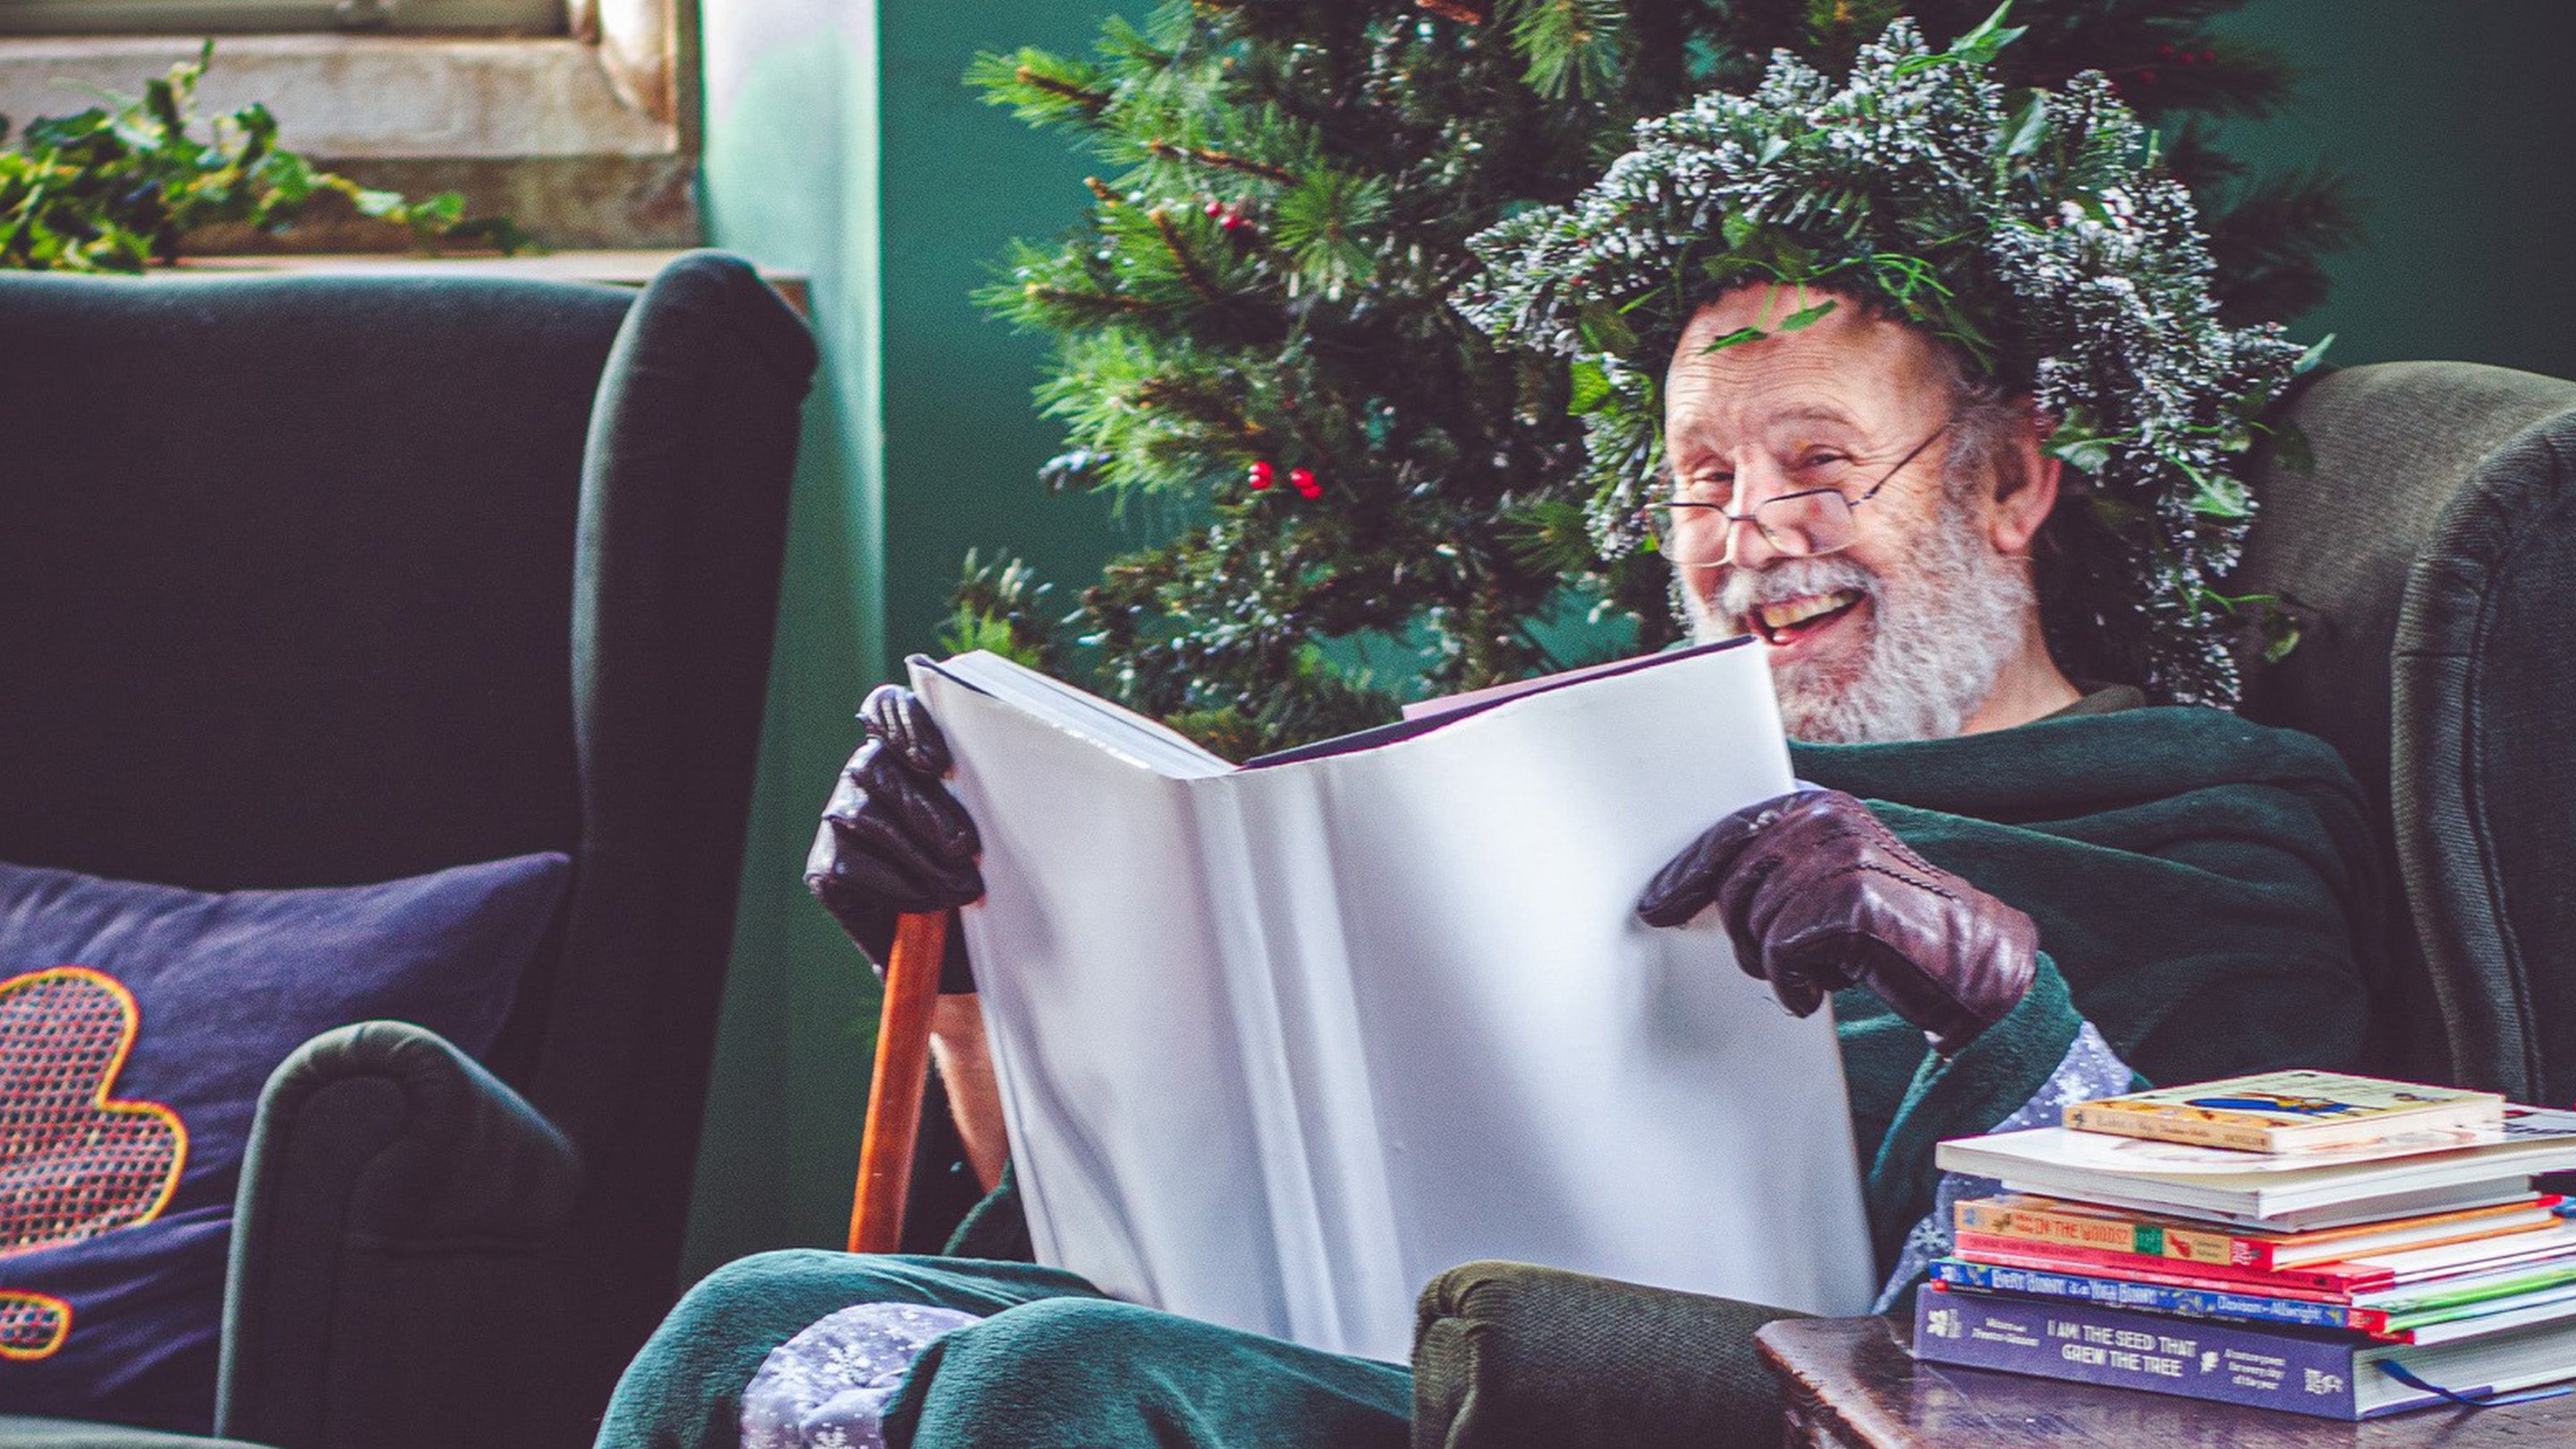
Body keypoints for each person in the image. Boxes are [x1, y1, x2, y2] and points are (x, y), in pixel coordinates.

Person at [601, 25, 2380, 1449]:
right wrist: (978, 953)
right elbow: (1135, 1219)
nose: (1749, 530)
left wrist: (1998, 1004)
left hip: (1694, 1396)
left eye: (1821, 465)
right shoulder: (1590, 793)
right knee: (748, 1315)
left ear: (2006, 484)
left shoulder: (2211, 817)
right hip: (1366, 1328)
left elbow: (2219, 1337)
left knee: (1045, 1390)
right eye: (1702, 479)